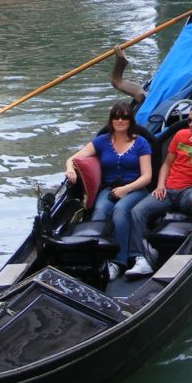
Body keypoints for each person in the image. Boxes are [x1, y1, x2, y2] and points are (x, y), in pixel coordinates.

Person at [125, 101, 192, 277]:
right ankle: (141, 258)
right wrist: (160, 185)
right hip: (168, 190)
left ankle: (190, 249)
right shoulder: (180, 135)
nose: (191, 125)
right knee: (137, 211)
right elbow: (166, 164)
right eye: (189, 121)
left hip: (190, 192)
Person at [64, 101, 152, 281]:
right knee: (100, 211)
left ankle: (118, 262)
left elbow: (147, 176)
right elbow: (72, 158)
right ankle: (96, 256)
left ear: (130, 120)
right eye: (116, 117)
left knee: (120, 210)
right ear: (111, 120)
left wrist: (126, 189)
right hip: (109, 188)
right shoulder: (102, 141)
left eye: (124, 117)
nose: (120, 120)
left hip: (135, 188)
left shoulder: (141, 143)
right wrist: (70, 169)